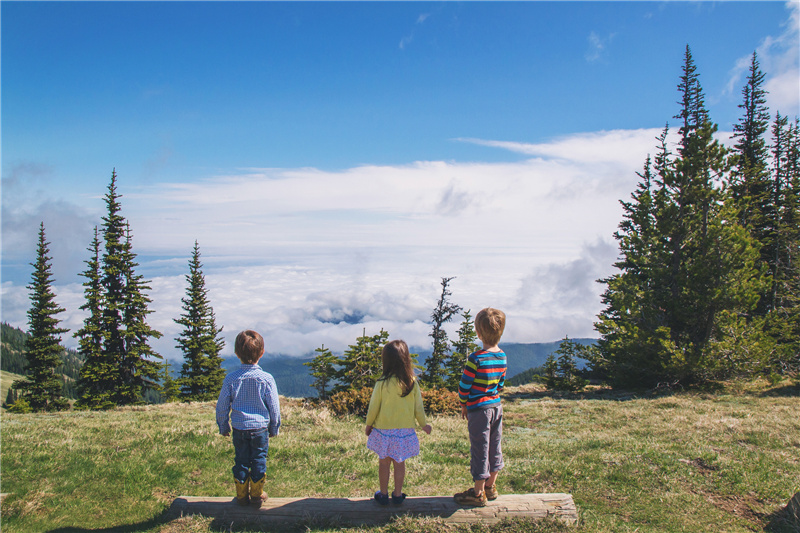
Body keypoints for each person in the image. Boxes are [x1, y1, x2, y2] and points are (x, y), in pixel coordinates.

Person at [216, 330, 281, 507]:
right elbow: (274, 406)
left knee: (241, 461)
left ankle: (241, 495)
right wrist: (274, 427)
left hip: (239, 428)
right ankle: (257, 494)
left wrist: (223, 426)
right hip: (260, 429)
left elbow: (222, 405)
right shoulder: (266, 379)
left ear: (236, 354)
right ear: (262, 353)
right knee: (259, 459)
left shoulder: (231, 379)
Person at [365, 339, 432, 505]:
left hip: (384, 430)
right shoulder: (411, 382)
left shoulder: (381, 383)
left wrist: (369, 424)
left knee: (384, 463)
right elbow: (418, 408)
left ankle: (383, 494)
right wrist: (424, 425)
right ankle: (397, 494)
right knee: (400, 463)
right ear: (406, 359)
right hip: (404, 432)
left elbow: (374, 407)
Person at [454, 308, 507, 507]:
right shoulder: (502, 356)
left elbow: (464, 386)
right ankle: (490, 487)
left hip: (479, 410)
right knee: (495, 445)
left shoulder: (475, 359)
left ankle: (477, 492)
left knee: (480, 448)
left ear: (478, 332)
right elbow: (500, 384)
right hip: (496, 406)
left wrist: (464, 404)